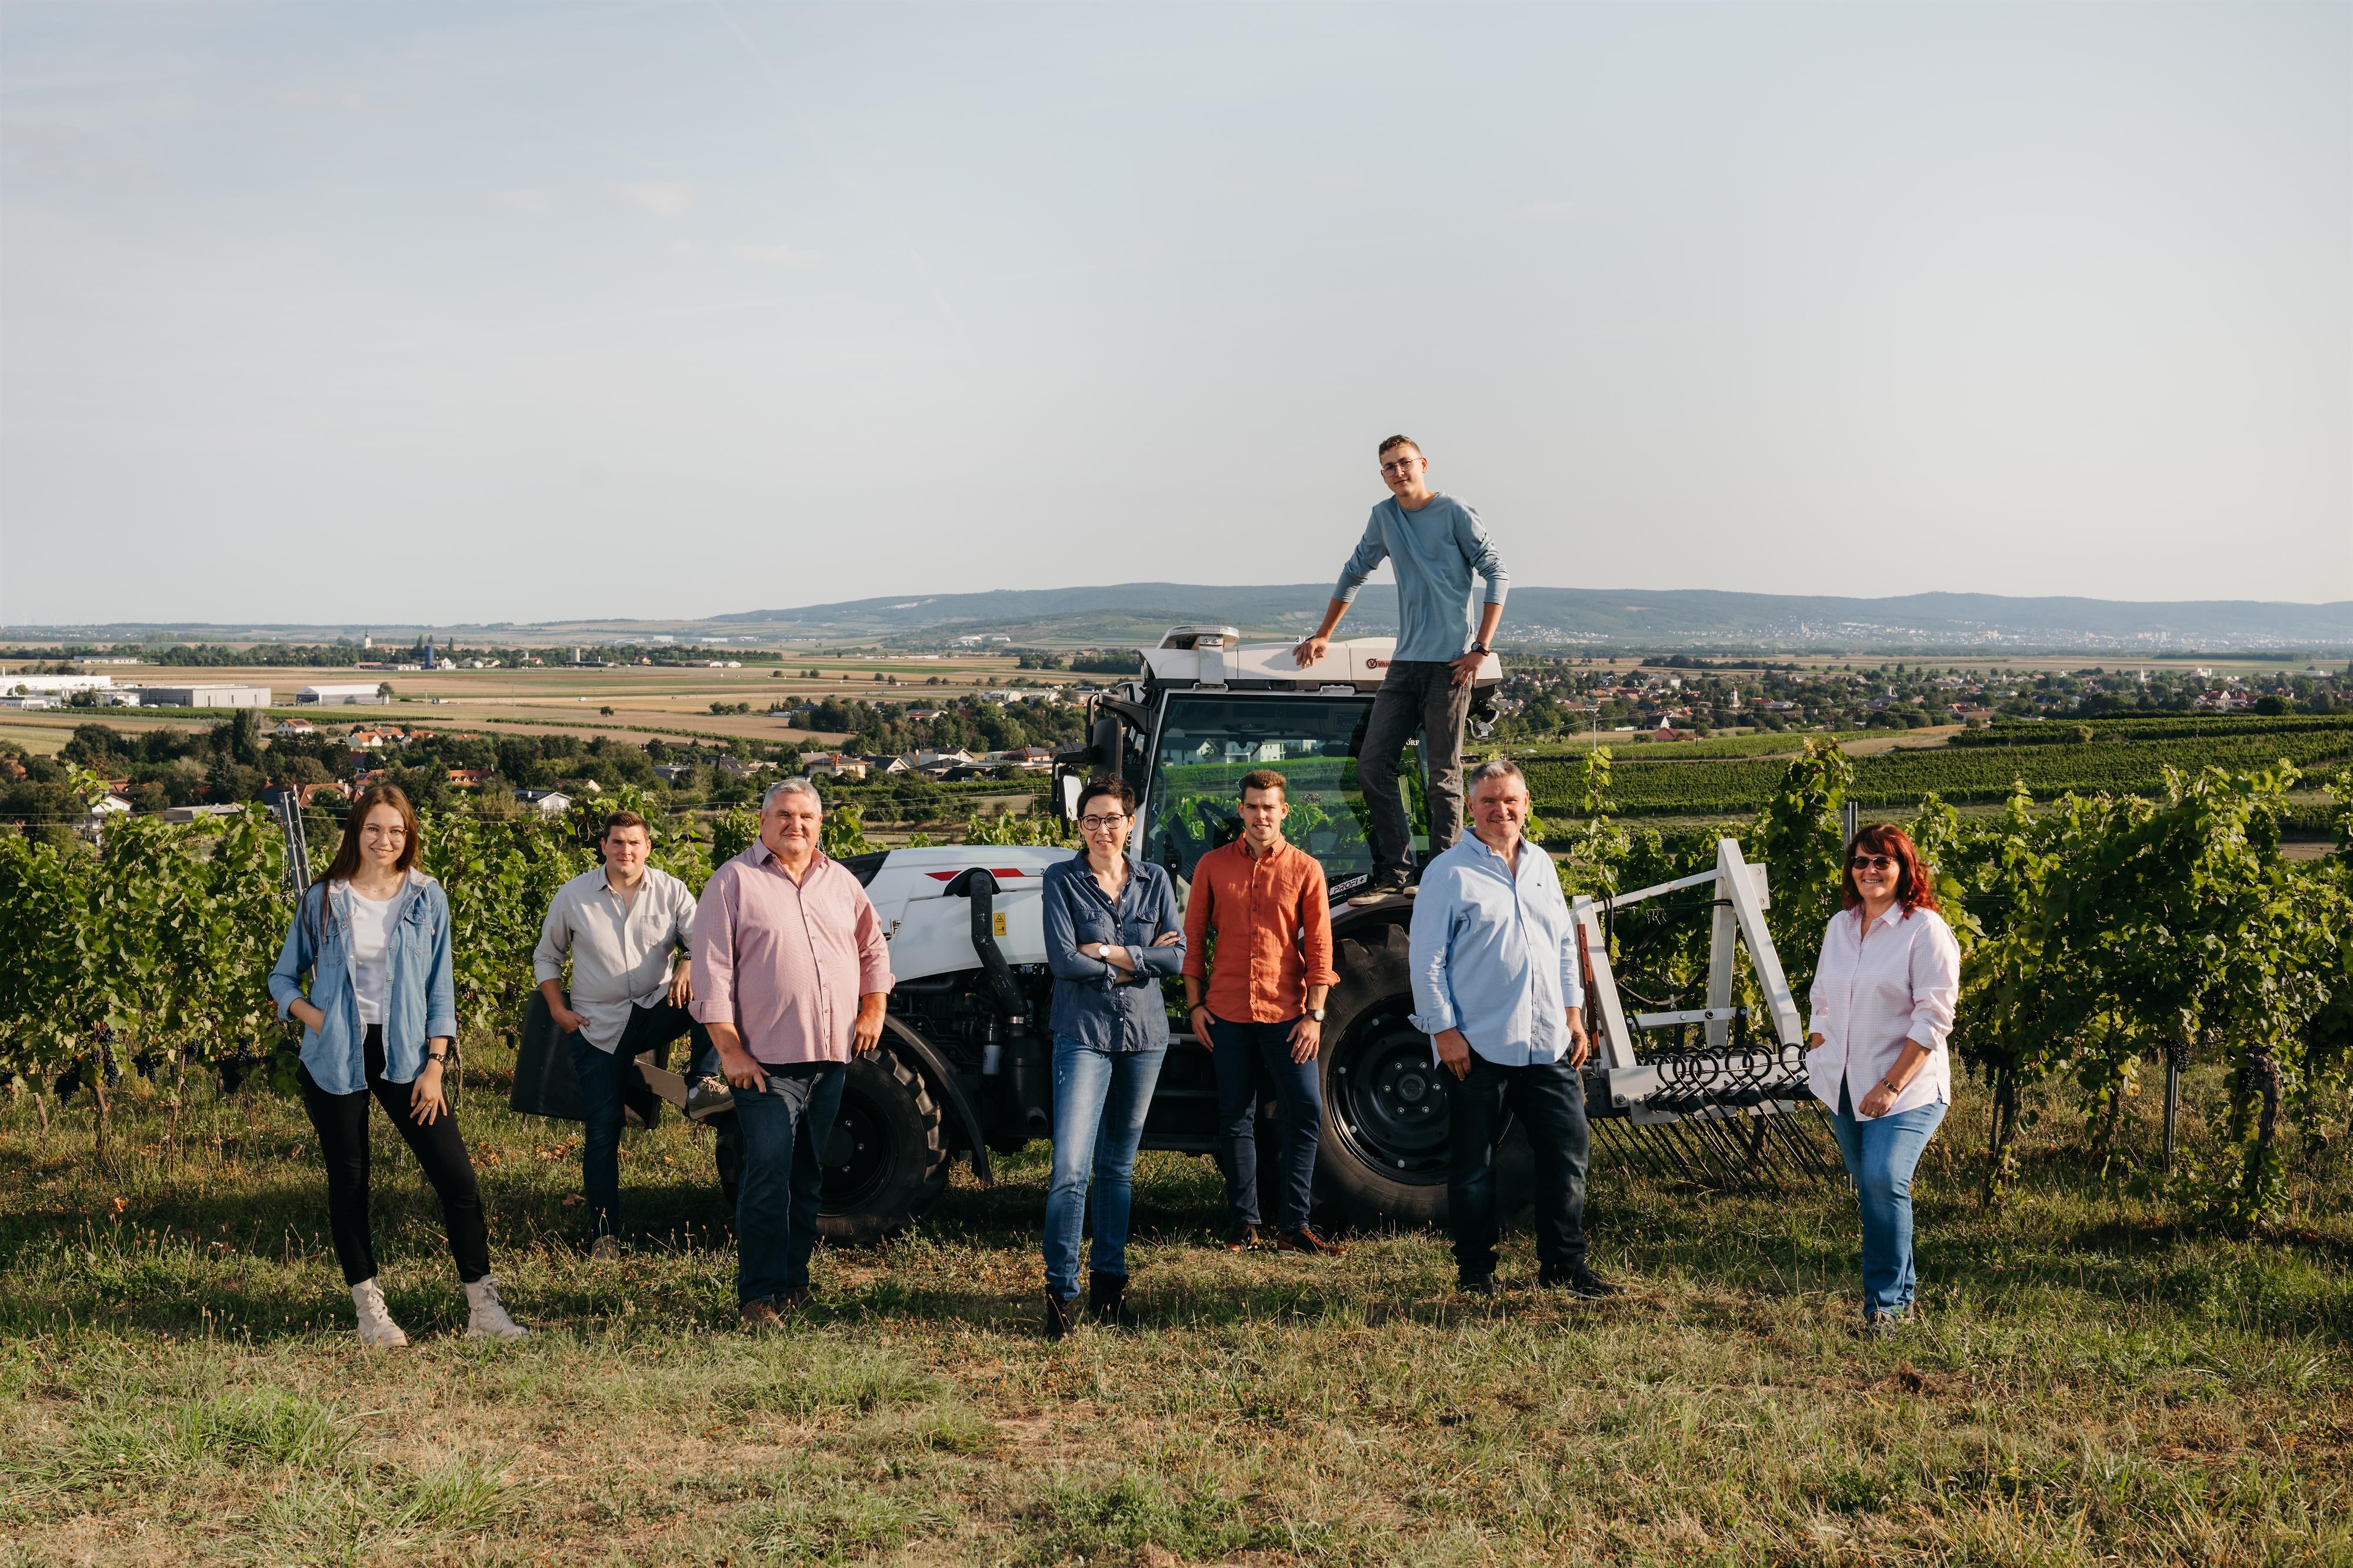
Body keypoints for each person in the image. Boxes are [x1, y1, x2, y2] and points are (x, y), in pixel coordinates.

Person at [267, 783, 528, 1346]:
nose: (384, 840)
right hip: (336, 1055)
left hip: (409, 1055)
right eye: (374, 829)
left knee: (458, 1180)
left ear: (408, 836)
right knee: (350, 1184)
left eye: (396, 830)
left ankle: (483, 1312)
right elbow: (282, 978)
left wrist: (435, 1065)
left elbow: (441, 988)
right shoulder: (323, 899)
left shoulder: (427, 897)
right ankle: (371, 1315)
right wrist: (317, 1019)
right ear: (355, 831)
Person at [1408, 758, 1619, 1299]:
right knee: (1474, 1166)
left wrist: (1573, 1013)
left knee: (1568, 1156)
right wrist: (1444, 1032)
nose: (1500, 810)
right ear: (1471, 808)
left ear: (1526, 804)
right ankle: (1476, 1273)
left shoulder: (1542, 864)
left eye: (1510, 800)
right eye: (1489, 801)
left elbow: (1563, 945)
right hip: (1477, 1045)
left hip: (1548, 1042)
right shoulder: (1447, 873)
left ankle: (1564, 1266)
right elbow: (1426, 961)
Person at [691, 777, 893, 1327]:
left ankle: (794, 1285)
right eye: (783, 815)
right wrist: (729, 1051)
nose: (795, 825)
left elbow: (873, 948)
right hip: (763, 1066)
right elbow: (711, 974)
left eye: (805, 816)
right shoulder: (732, 882)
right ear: (762, 821)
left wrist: (873, 1009)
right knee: (768, 1178)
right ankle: (758, 1297)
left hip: (830, 1061)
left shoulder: (840, 881)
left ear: (820, 823)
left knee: (807, 1178)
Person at [1292, 435, 1509, 902]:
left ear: (1423, 464)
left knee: (1442, 775)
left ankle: (1445, 875)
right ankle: (1396, 872)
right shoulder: (1384, 517)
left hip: (1450, 664)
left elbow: (1498, 572)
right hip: (1405, 662)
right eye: (1388, 467)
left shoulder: (1454, 511)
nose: (1398, 472)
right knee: (1373, 765)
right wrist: (1323, 633)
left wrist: (1481, 647)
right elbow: (1355, 570)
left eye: (1404, 463)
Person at [1038, 775, 1186, 1339]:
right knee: (1071, 1168)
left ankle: (1110, 1290)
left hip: (1144, 1036)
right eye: (1092, 820)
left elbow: (1176, 960)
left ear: (1130, 823)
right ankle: (1061, 1295)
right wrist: (1139, 960)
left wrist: (1105, 951)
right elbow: (1062, 961)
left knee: (1118, 1168)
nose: (1103, 830)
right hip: (1083, 1034)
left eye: (1113, 819)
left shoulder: (1155, 880)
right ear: (1080, 826)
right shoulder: (1062, 879)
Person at [534, 809, 714, 1259]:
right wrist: (558, 1010)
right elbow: (547, 957)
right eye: (617, 842)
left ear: (648, 847)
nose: (626, 850)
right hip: (598, 1026)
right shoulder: (574, 895)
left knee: (714, 982)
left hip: (656, 1010)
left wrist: (689, 962)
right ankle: (604, 1235)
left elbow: (704, 942)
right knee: (603, 1132)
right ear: (604, 847)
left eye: (635, 842)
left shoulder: (672, 891)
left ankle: (703, 1083)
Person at [1805, 823, 1960, 1335]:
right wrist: (1820, 1048)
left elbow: (1933, 1019)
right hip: (1845, 1085)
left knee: (1882, 1179)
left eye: (1882, 862)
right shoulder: (1840, 927)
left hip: (1908, 1088)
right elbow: (1822, 998)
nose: (1869, 870)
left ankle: (1885, 1309)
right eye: (1861, 861)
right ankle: (1901, 1295)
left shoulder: (1925, 930)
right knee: (1872, 1190)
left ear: (1904, 870)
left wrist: (1891, 1085)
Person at [1181, 769, 1343, 1255]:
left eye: (1269, 807)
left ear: (1284, 811)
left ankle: (1295, 1225)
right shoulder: (1211, 866)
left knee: (1307, 1109)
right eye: (1252, 806)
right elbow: (1193, 941)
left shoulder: (1306, 869)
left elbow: (1320, 948)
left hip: (1287, 1015)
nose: (1260, 816)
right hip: (1227, 1013)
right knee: (1236, 1115)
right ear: (1241, 810)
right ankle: (1244, 1225)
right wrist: (1195, 1005)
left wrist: (1314, 1015)